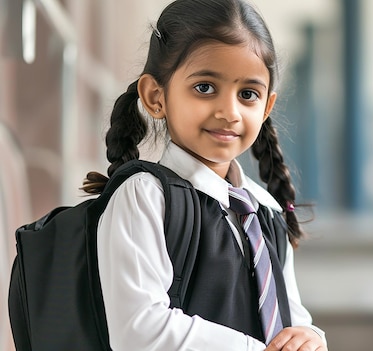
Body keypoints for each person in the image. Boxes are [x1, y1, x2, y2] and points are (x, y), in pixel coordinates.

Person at [81, 0, 327, 350]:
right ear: (155, 96)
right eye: (205, 87)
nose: (229, 112)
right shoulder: (145, 196)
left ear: (267, 107)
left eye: (247, 95)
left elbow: (293, 320)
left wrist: (311, 338)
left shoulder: (265, 210)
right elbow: (139, 331)